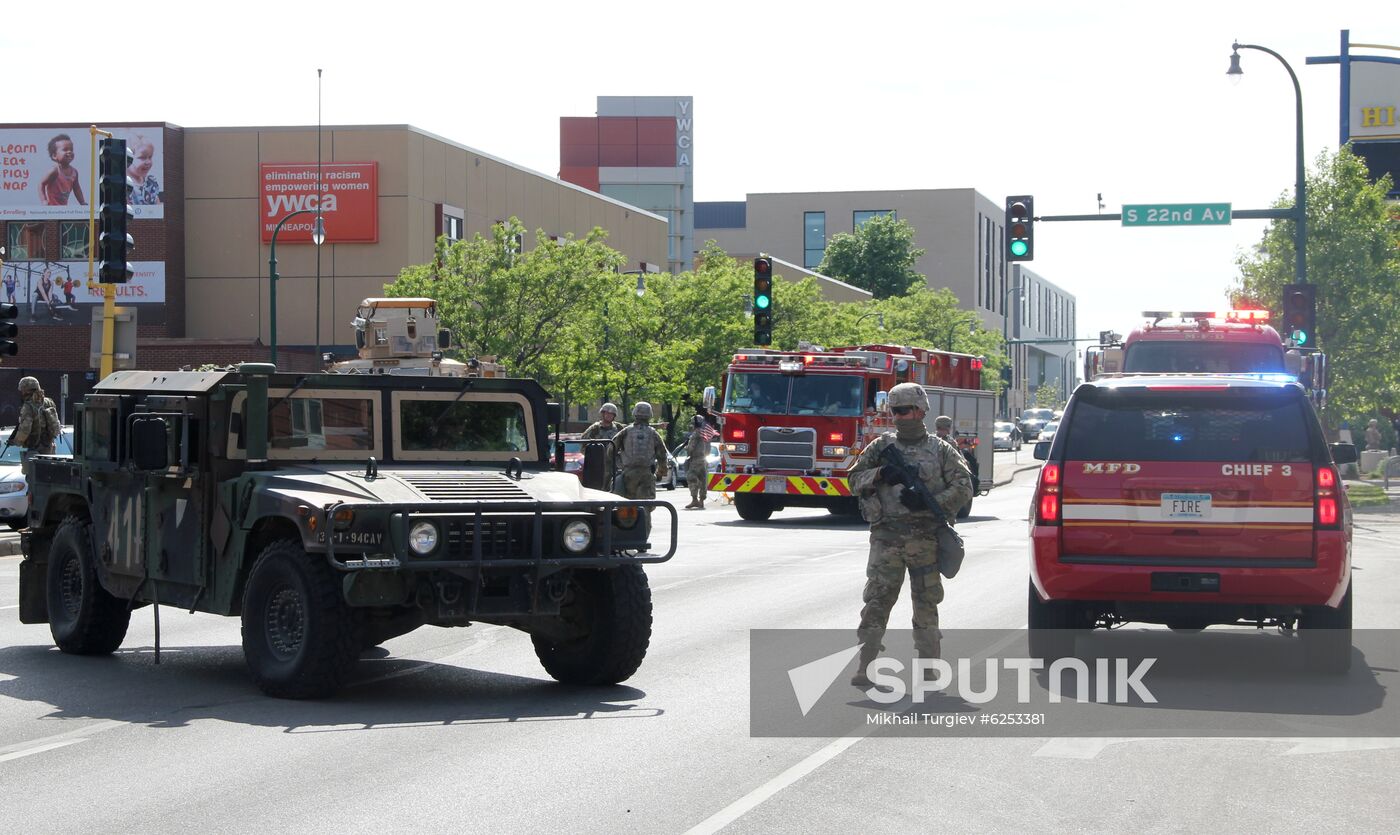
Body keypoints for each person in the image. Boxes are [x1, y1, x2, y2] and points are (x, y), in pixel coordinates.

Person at [848, 384, 972, 687]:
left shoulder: (941, 450)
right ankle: (865, 666)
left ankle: (929, 668)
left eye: (907, 410)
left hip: (926, 538)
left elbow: (964, 486)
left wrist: (933, 502)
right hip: (886, 538)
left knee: (926, 604)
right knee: (877, 602)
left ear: (922, 411)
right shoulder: (880, 447)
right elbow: (852, 478)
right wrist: (878, 475)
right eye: (896, 411)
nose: (901, 417)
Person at [613, 401, 668, 500]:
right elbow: (662, 455)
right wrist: (661, 473)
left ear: (635, 413)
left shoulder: (625, 431)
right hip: (646, 474)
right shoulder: (654, 433)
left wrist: (619, 464)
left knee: (627, 506)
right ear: (649, 415)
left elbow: (611, 450)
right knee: (645, 506)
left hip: (628, 474)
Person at [11, 377, 61, 476]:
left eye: (23, 390)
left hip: (36, 451)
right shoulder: (48, 402)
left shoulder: (28, 406)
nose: (22, 393)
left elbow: (25, 430)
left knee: (34, 483)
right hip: (50, 448)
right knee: (48, 479)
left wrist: (15, 441)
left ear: (26, 390)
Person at [935, 414, 980, 496]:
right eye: (949, 426)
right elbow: (958, 460)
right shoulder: (950, 443)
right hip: (949, 478)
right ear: (947, 427)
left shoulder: (931, 440)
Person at [39, 134, 86, 206]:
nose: (69, 152)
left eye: (71, 149)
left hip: (63, 209)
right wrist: (44, 201)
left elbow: (77, 189)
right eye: (65, 149)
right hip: (51, 207)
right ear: (54, 156)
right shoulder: (55, 171)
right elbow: (41, 184)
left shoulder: (74, 172)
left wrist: (82, 202)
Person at [683, 414, 711, 509]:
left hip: (696, 460)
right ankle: (702, 501)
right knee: (703, 480)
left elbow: (691, 448)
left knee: (691, 477)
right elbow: (708, 448)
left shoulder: (695, 434)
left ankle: (695, 500)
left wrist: (686, 448)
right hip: (703, 459)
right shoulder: (704, 433)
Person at [127, 136, 162, 205]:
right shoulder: (125, 185)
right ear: (127, 159)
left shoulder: (151, 181)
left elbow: (158, 204)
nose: (148, 162)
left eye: (150, 157)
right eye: (142, 157)